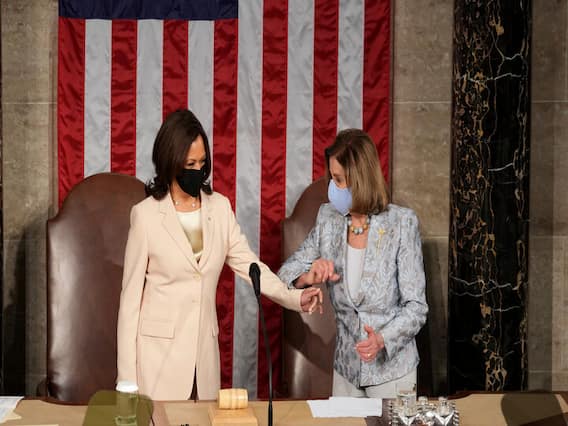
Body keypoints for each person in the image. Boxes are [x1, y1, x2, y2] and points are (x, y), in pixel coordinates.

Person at [116, 109, 322, 401]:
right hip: (157, 364)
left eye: (202, 163)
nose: (198, 170)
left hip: (204, 364)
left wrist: (294, 297)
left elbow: (251, 266)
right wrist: (126, 382)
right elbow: (129, 303)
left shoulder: (220, 208)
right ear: (169, 162)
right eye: (190, 164)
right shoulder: (145, 216)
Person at [278, 128, 428, 398]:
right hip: (346, 371)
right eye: (332, 178)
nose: (333, 189)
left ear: (361, 180)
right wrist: (308, 277)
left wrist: (382, 339)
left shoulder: (401, 224)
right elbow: (284, 275)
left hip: (392, 371)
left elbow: (416, 307)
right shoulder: (328, 219)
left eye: (339, 180)